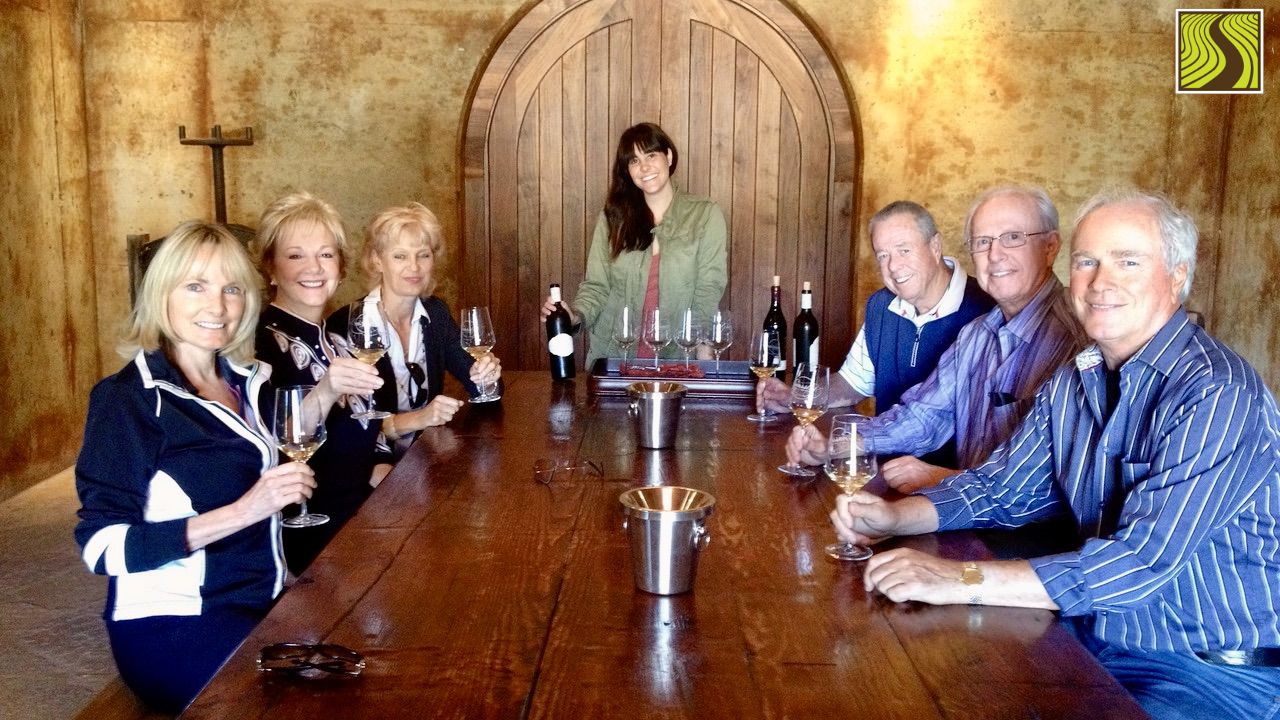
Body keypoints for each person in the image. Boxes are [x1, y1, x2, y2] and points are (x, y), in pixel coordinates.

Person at [832, 189, 1280, 720]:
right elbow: (1001, 487)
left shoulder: (1216, 391)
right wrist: (894, 518)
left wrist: (958, 579)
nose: (1101, 281)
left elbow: (1140, 562)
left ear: (1177, 275)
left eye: (1128, 262)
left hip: (1206, 669)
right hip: (1093, 634)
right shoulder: (1075, 378)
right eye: (1087, 262)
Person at [73, 222, 342, 712]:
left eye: (231, 289)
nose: (217, 307)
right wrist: (245, 510)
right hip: (173, 623)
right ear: (161, 294)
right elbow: (102, 547)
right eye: (195, 286)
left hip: (259, 602)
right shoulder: (129, 399)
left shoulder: (245, 380)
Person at [788, 186, 1087, 492]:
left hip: (988, 514)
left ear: (1051, 247)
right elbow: (923, 417)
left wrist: (948, 479)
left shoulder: (1084, 336)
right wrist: (835, 446)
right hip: (951, 506)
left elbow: (1064, 486)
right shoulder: (977, 334)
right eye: (983, 242)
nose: (995, 255)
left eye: (1013, 237)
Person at [758, 200, 994, 468]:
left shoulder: (986, 311)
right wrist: (796, 397)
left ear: (935, 246)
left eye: (904, 250)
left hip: (953, 480)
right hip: (881, 467)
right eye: (883, 255)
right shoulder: (881, 306)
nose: (893, 266)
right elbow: (852, 383)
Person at [252, 191, 390, 574]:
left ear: (340, 268)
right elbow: (273, 447)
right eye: (295, 256)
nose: (313, 268)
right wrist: (326, 390)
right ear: (271, 268)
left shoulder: (339, 339)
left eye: (326, 254)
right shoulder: (258, 344)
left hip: (364, 519)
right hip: (310, 536)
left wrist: (384, 469)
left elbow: (371, 421)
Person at [540, 122, 728, 366]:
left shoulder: (705, 214)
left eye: (651, 155)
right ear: (627, 170)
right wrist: (573, 316)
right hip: (614, 358)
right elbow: (596, 286)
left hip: (678, 359)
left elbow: (708, 290)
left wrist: (703, 357)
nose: (644, 167)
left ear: (669, 157)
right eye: (634, 161)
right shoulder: (613, 217)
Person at [330, 202, 502, 457]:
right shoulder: (347, 324)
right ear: (377, 260)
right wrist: (419, 418)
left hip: (429, 455)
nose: (414, 267)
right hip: (373, 466)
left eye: (423, 255)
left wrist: (488, 376)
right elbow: (346, 429)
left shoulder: (436, 313)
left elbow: (479, 387)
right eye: (400, 256)